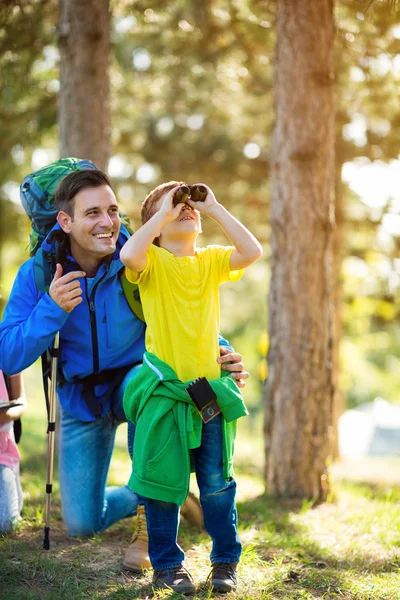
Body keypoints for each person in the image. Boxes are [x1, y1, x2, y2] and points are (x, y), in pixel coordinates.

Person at [0, 169, 249, 569]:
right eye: (92, 213)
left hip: (143, 381)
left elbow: (188, 307)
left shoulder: (140, 253)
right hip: (82, 398)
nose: (107, 223)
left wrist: (224, 351)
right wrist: (51, 309)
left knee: (147, 385)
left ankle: (149, 526)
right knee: (84, 522)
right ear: (65, 222)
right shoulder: (40, 273)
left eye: (112, 210)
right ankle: (166, 490)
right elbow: (8, 356)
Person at [120, 181, 262, 593]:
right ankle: (167, 565)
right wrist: (162, 213)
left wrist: (214, 207)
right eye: (174, 209)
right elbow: (130, 252)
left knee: (217, 483)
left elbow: (252, 251)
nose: (186, 211)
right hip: (166, 397)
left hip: (208, 395)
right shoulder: (152, 265)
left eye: (189, 209)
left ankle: (224, 562)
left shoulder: (212, 260)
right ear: (157, 228)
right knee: (163, 486)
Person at [0, 371, 27, 533]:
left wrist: (6, 414)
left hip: (2, 452)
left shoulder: (6, 349)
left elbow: (22, 402)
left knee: (5, 524)